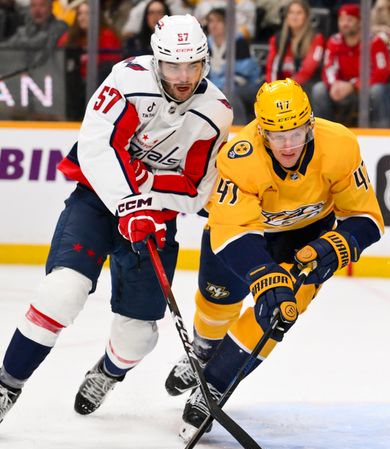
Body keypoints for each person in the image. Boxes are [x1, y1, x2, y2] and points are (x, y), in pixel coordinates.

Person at [0, 14, 233, 424]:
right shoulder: (126, 80)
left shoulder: (215, 112)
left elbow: (197, 191)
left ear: (205, 63)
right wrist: (129, 201)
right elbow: (94, 146)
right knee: (61, 292)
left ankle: (107, 372)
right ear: (157, 60)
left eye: (192, 65)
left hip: (155, 220)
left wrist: (150, 196)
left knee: (139, 337)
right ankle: (6, 385)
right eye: (174, 65)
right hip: (97, 202)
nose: (183, 76)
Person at [161, 78, 384, 437]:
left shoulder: (339, 144)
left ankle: (214, 386)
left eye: (296, 133)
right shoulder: (240, 157)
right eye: (277, 136)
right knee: (217, 302)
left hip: (307, 239)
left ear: (310, 124)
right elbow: (232, 229)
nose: (288, 145)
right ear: (261, 131)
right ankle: (203, 351)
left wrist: (339, 244)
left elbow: (367, 218)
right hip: (244, 236)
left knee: (278, 313)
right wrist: (263, 273)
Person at [310, 4, 390, 128]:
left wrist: (353, 86)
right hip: (344, 87)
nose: (345, 24)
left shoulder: (375, 42)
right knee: (319, 89)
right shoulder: (334, 41)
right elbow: (328, 68)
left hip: (380, 88)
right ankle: (322, 132)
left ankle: (382, 133)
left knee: (377, 91)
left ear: (359, 22)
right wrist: (334, 84)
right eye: (342, 20)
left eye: (349, 20)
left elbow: (381, 73)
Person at [205, 7, 262, 124]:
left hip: (247, 85)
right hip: (219, 87)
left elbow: (244, 73)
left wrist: (218, 87)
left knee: (230, 93)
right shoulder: (206, 43)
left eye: (218, 21)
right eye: (211, 21)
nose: (214, 25)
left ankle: (238, 128)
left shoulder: (238, 41)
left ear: (227, 24)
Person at [265, 0, 325, 90]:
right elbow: (271, 69)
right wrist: (273, 89)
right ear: (286, 16)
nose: (294, 16)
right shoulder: (277, 39)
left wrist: (288, 88)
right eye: (291, 12)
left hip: (304, 87)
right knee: (240, 92)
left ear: (306, 16)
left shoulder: (316, 39)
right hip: (280, 88)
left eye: (299, 13)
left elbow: (307, 71)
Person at [57, 0, 123, 82]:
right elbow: (59, 56)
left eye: (87, 14)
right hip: (73, 84)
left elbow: (110, 64)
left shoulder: (108, 35)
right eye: (80, 14)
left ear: (96, 15)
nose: (82, 18)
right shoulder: (70, 36)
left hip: (100, 83)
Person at [0, 0, 67, 68]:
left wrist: (22, 42)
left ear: (51, 8)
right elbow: (6, 46)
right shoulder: (24, 30)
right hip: (24, 74)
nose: (37, 11)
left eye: (42, 5)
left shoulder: (59, 27)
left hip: (51, 71)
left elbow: (41, 42)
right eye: (33, 6)